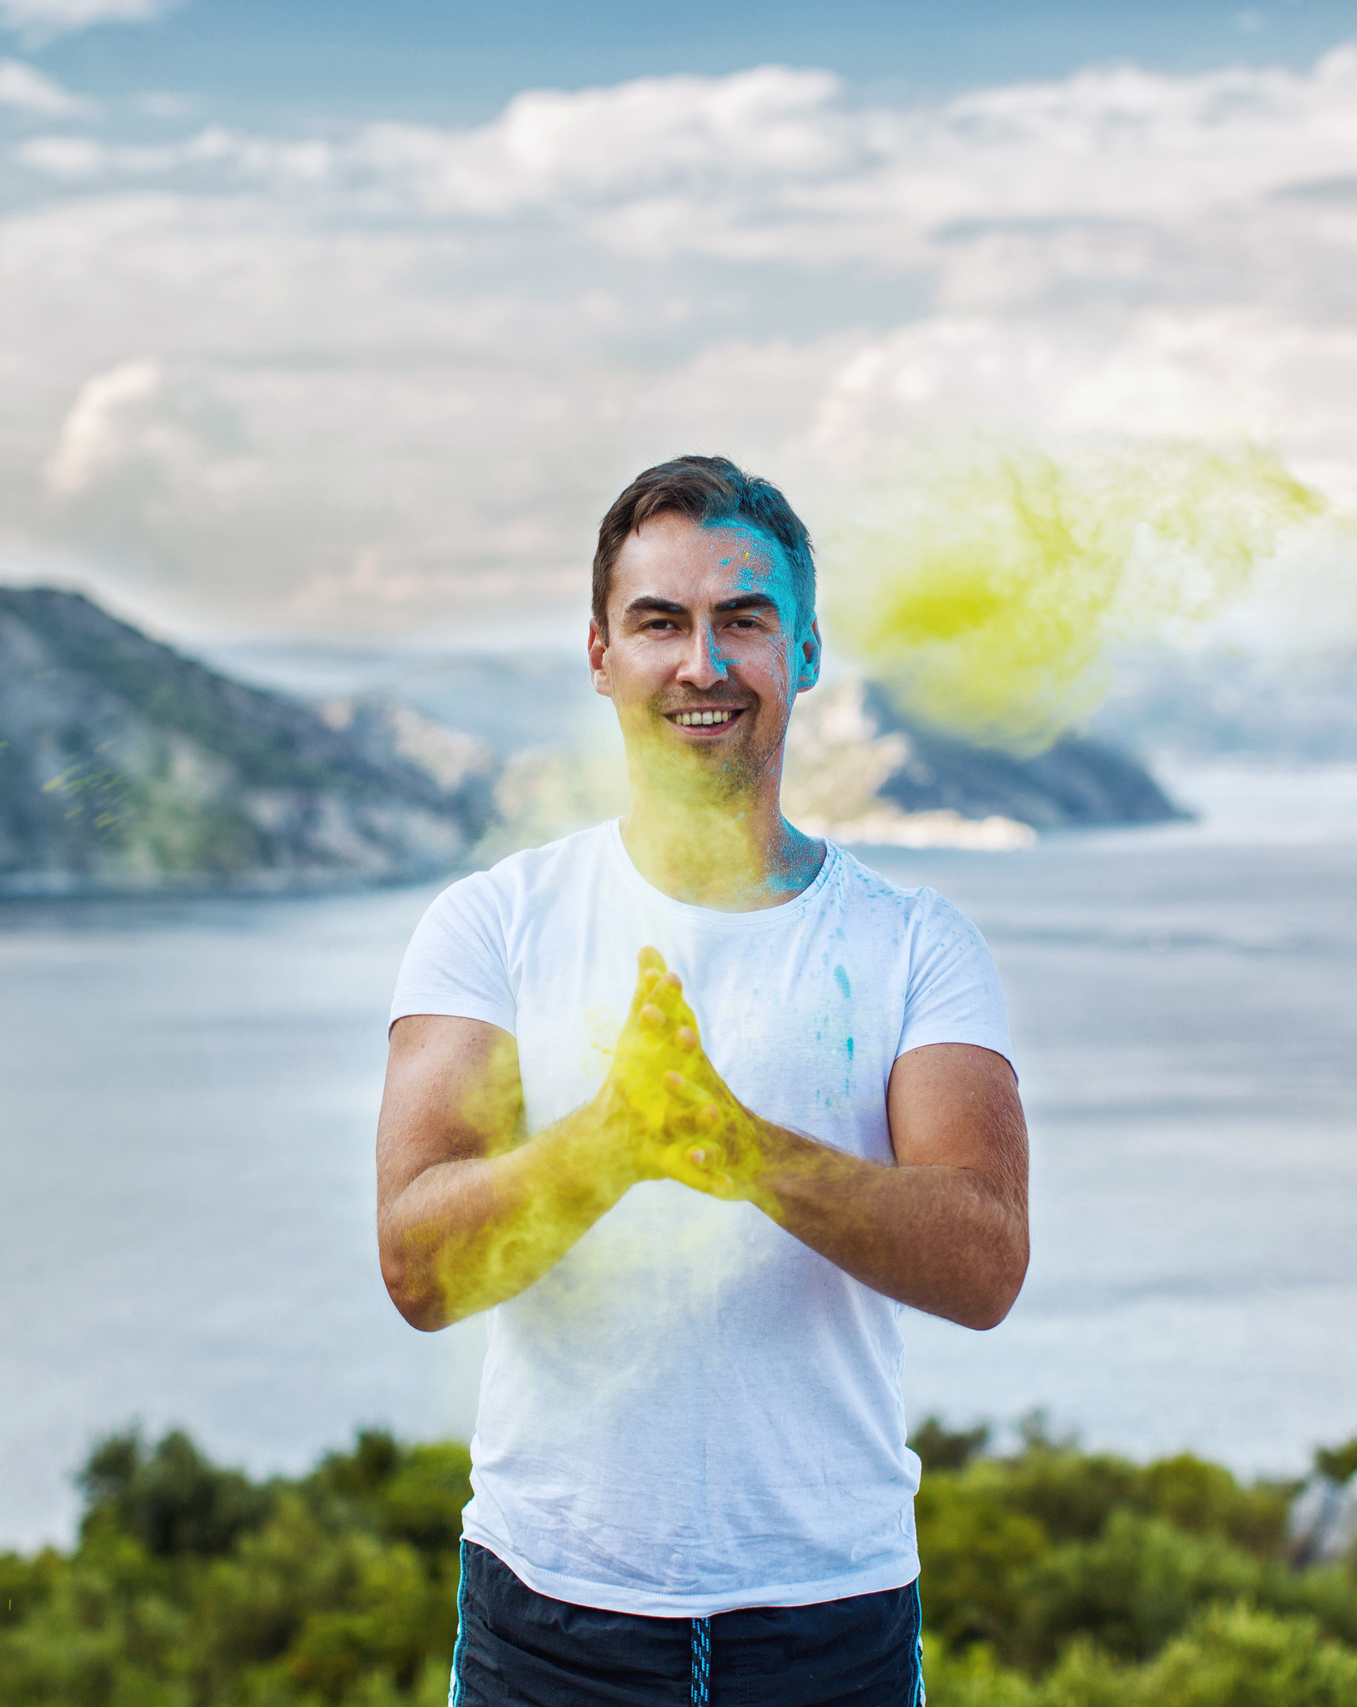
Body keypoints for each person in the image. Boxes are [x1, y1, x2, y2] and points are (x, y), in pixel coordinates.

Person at [376, 454, 1029, 1706]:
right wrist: (614, 1144)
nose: (703, 663)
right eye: (660, 622)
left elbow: (987, 1259)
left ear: (806, 651)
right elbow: (415, 1266)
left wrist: (748, 1153)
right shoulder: (492, 926)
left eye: (744, 620)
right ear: (599, 655)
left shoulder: (910, 942)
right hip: (549, 1621)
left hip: (828, 1619)